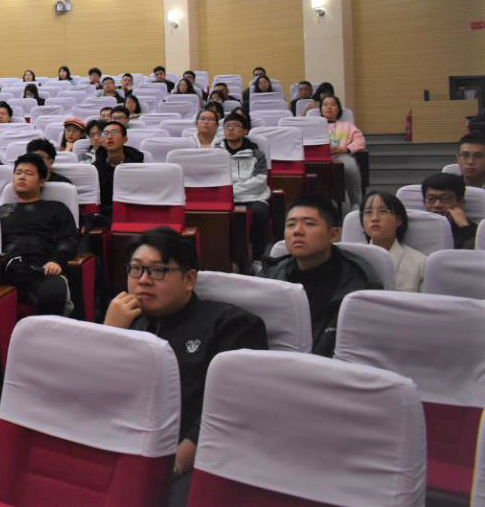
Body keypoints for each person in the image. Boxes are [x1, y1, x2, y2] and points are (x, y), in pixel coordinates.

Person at [103, 228, 267, 483]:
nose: (143, 280)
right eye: (135, 269)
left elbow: (231, 411)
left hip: (196, 462)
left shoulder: (232, 324)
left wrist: (175, 466)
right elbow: (96, 394)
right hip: (121, 445)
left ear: (189, 280)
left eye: (158, 270)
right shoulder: (124, 319)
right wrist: (109, 335)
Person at [260, 196, 380, 356]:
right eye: (290, 225)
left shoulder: (360, 282)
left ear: (333, 234)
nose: (297, 231)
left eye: (309, 224)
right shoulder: (269, 277)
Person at [0, 154, 82, 317]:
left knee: (53, 292)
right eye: (18, 173)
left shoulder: (56, 208)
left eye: (28, 173)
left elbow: (68, 240)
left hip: (41, 269)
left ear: (42, 181)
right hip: (7, 269)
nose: (21, 177)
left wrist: (57, 261)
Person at [217, 112, 271, 264]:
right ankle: (227, 259)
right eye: (227, 126)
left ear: (245, 130)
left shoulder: (256, 154)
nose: (230, 129)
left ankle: (258, 258)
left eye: (235, 126)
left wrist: (231, 191)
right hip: (225, 198)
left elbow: (259, 180)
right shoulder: (215, 153)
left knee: (260, 211)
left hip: (252, 197)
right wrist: (227, 194)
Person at [361, 191, 425, 292]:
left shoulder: (420, 263)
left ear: (398, 220)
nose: (374, 218)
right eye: (368, 212)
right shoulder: (352, 259)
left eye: (382, 211)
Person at [321, 95, 366, 209]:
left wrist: (345, 149)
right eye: (325, 105)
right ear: (321, 109)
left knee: (351, 166)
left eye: (333, 104)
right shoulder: (314, 126)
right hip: (320, 157)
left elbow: (360, 141)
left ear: (338, 109)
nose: (329, 107)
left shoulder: (347, 126)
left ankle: (356, 203)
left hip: (341, 156)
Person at [93, 121, 143, 220]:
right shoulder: (95, 169)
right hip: (103, 216)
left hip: (132, 213)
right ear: (102, 140)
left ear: (125, 139)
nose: (109, 137)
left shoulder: (137, 166)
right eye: (106, 133)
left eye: (114, 132)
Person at [421, 173, 477, 248]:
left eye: (445, 199)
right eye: (431, 199)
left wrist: (465, 227)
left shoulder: (477, 232)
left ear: (461, 202)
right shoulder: (416, 228)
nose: (437, 205)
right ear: (424, 202)